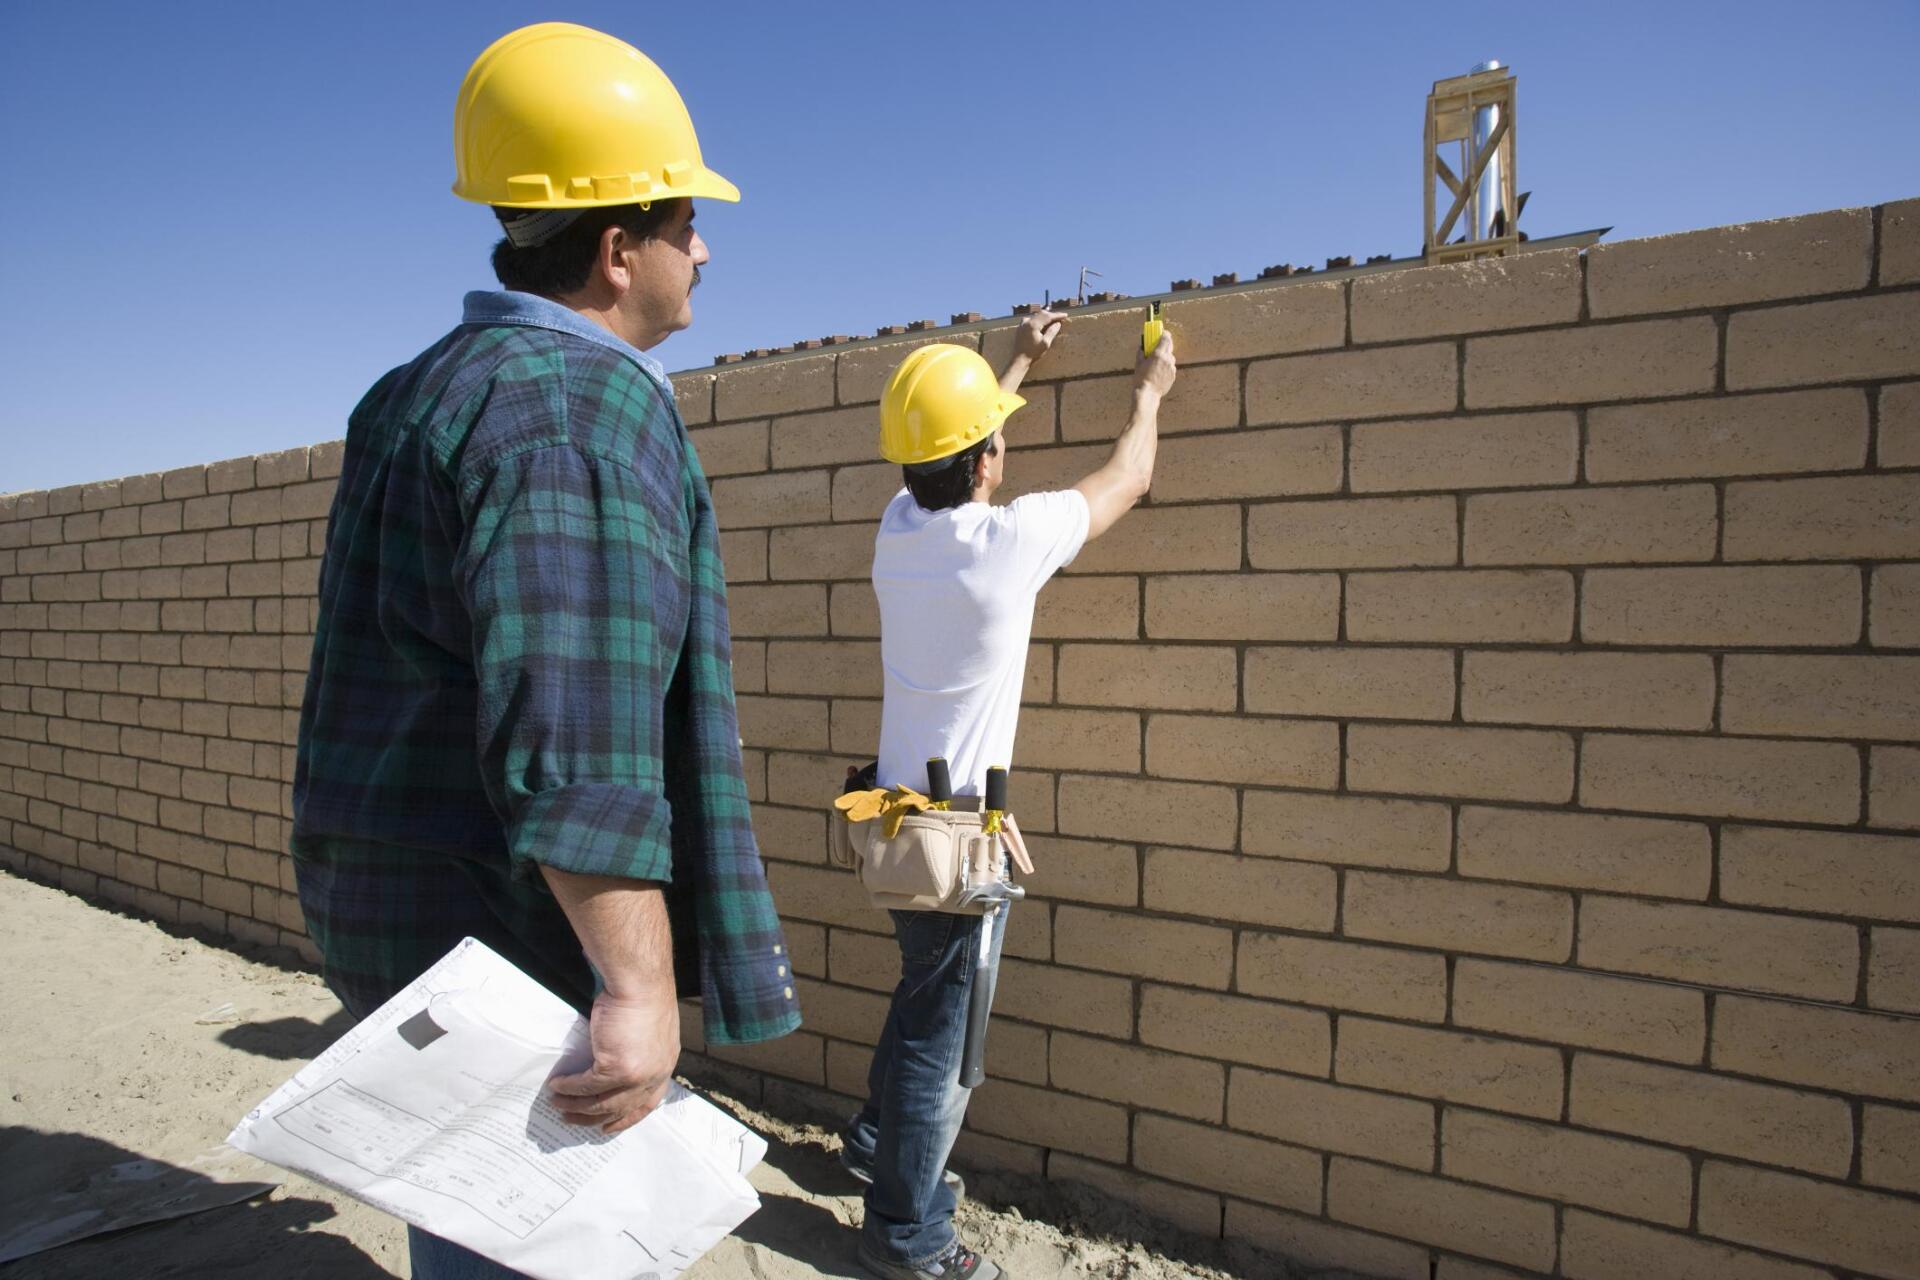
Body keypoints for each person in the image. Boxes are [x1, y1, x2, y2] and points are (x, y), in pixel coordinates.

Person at [289, 23, 799, 1278]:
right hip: (514, 942)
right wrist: (632, 988)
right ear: (620, 249)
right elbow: (571, 725)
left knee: (467, 1217)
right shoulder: (581, 402)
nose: (707, 247)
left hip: (410, 917)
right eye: (687, 223)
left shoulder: (421, 385)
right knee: (540, 1236)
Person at [841, 313, 1179, 1279]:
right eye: (997, 434)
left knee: (921, 994)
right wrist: (1149, 391)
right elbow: (1128, 479)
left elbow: (945, 445)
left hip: (892, 822)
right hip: (955, 844)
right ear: (986, 460)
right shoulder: (1007, 545)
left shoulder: (897, 532)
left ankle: (876, 1144)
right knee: (944, 1045)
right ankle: (907, 1237)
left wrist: (1019, 362)